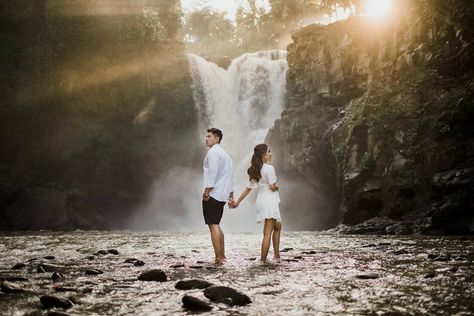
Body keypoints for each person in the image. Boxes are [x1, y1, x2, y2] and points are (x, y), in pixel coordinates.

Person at [232, 143, 282, 264]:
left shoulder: (257, 170)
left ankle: (277, 256)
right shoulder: (269, 169)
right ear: (263, 155)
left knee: (278, 226)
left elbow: (248, 188)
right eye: (268, 152)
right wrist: (277, 187)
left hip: (261, 200)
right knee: (267, 233)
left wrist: (238, 202)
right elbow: (272, 186)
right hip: (269, 200)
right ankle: (263, 260)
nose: (271, 154)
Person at [202, 128, 235, 265]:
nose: (206, 138)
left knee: (213, 225)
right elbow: (231, 176)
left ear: (217, 139)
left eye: (209, 136)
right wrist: (231, 195)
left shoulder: (213, 152)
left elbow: (212, 173)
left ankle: (218, 258)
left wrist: (206, 191)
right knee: (217, 225)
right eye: (206, 136)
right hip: (222, 194)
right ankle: (222, 256)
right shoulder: (226, 155)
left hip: (214, 194)